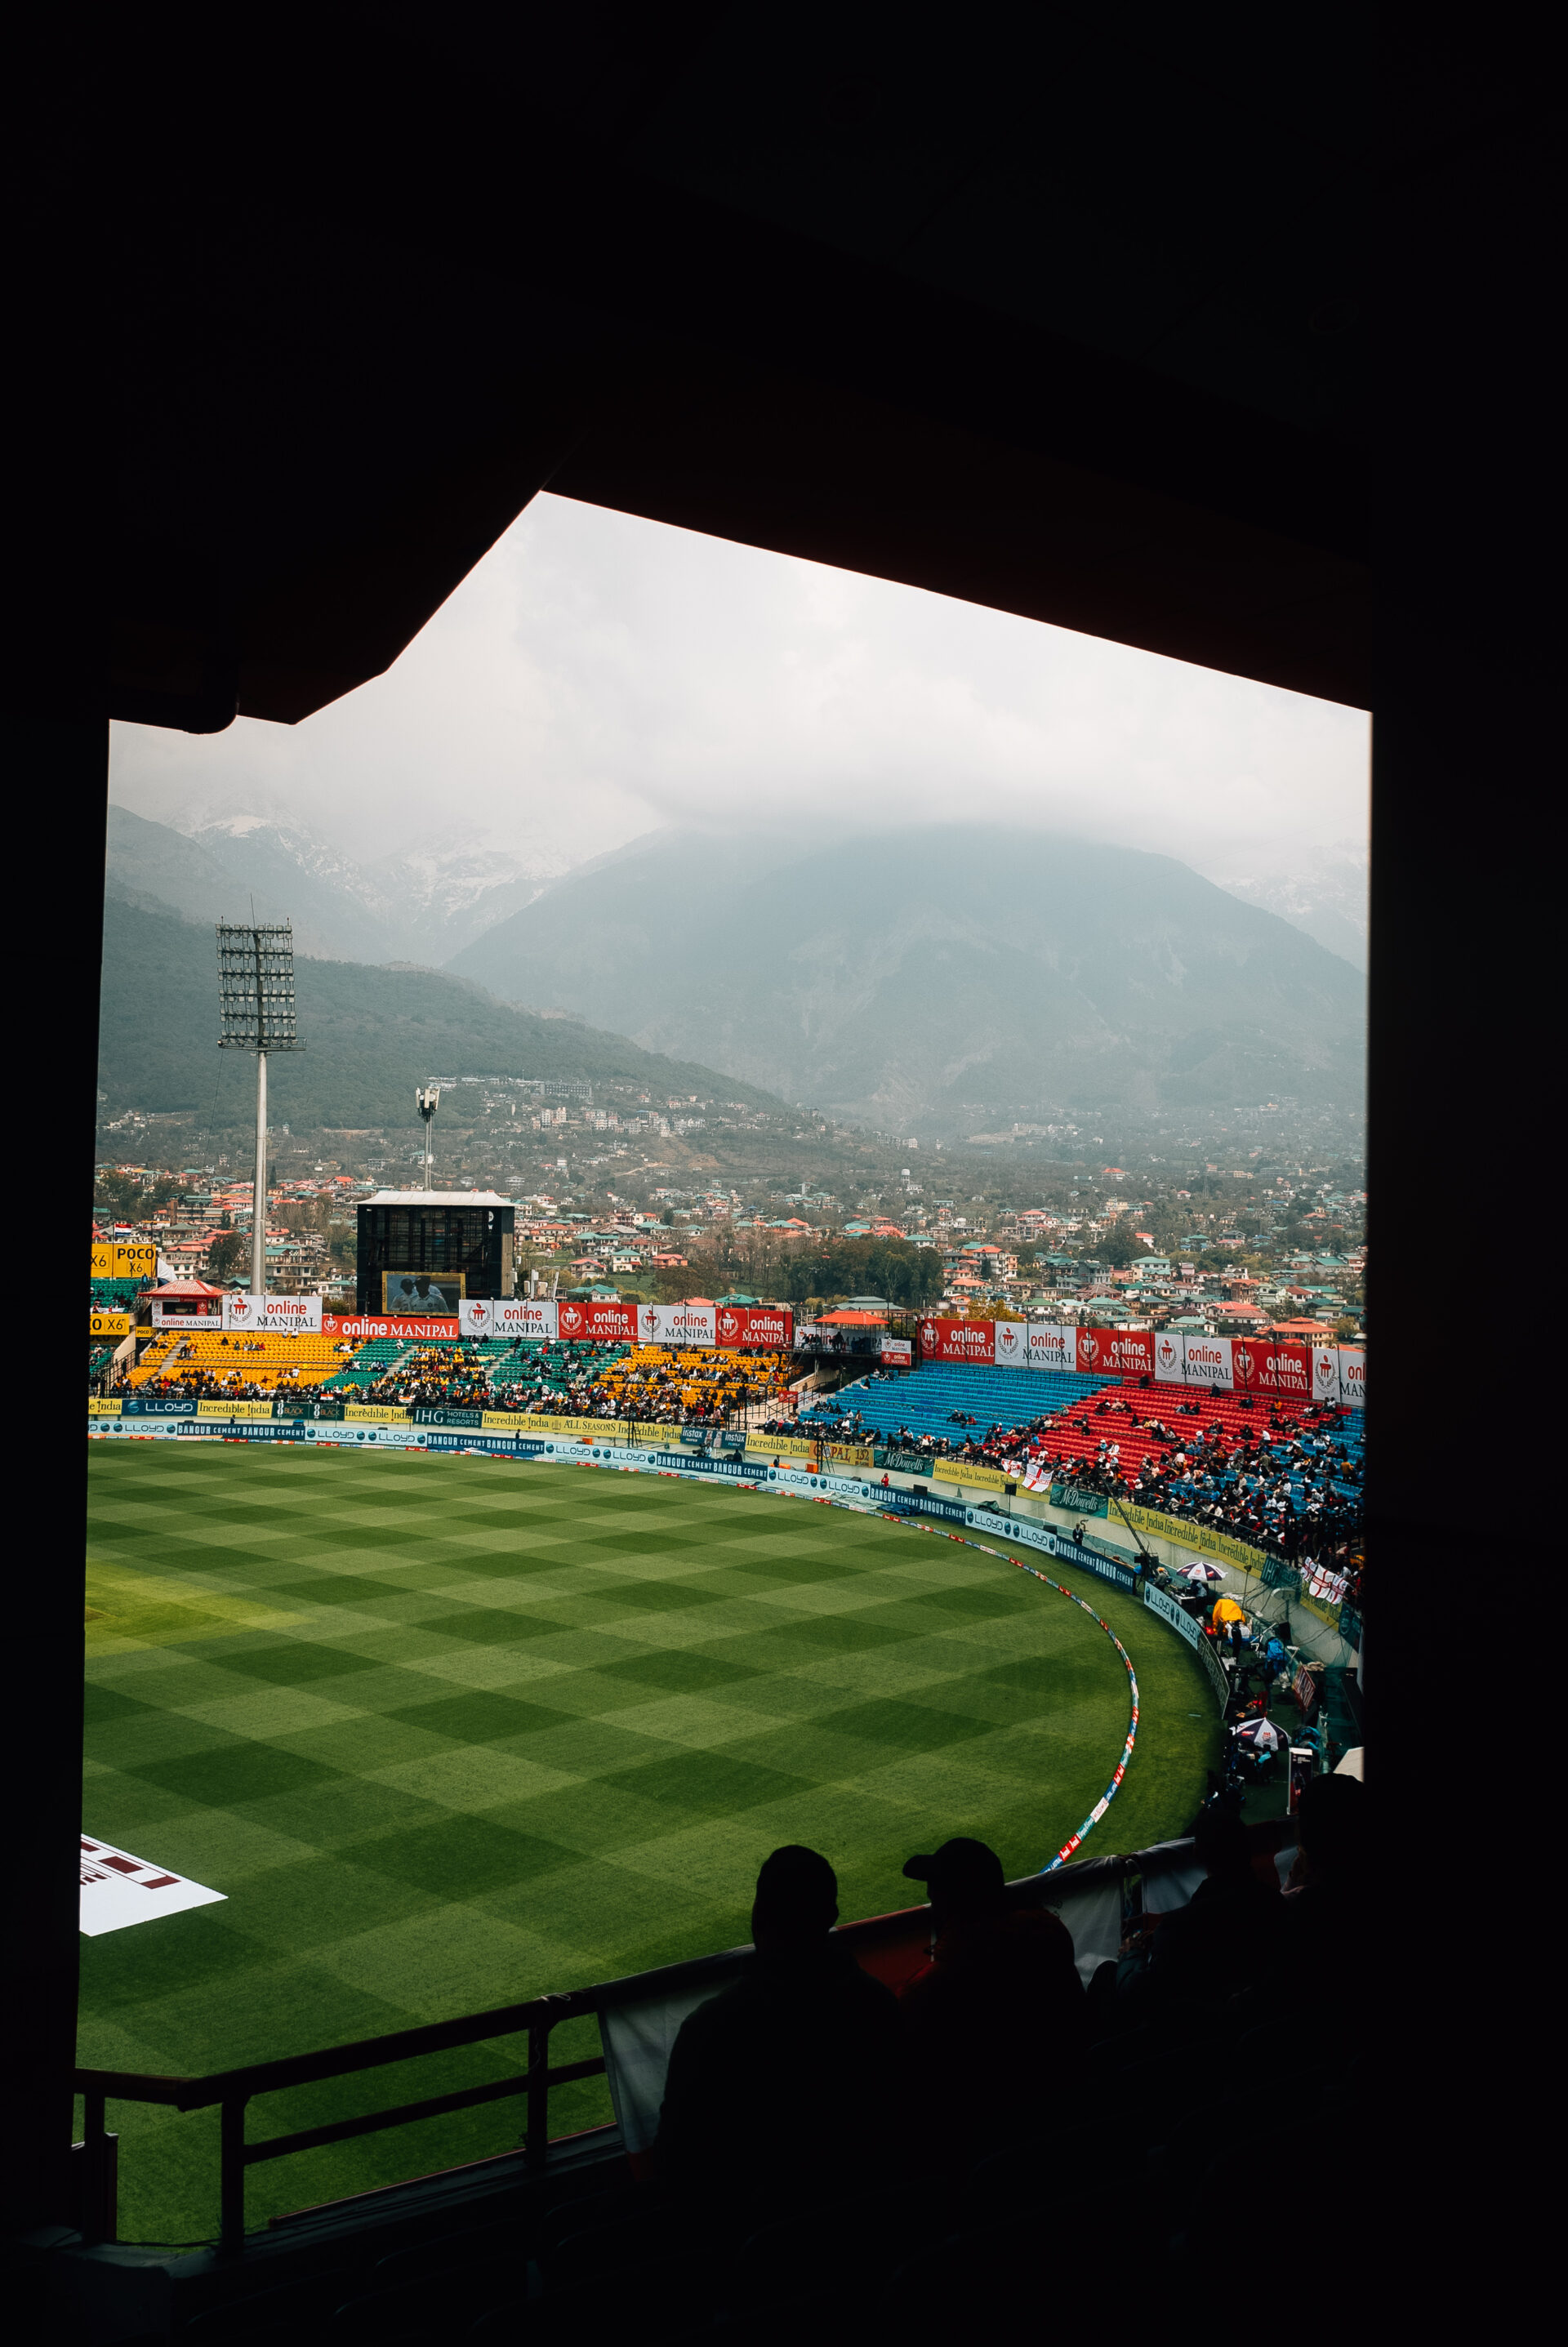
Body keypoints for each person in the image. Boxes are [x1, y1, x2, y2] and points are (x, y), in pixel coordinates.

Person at [654, 1846, 908, 2218]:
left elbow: (676, 2163)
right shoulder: (878, 2004)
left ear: (758, 1916)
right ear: (831, 1916)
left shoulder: (712, 2028)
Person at [898, 1838, 1085, 2169]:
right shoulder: (1049, 1939)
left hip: (972, 2146)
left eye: (935, 1892)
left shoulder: (932, 1988)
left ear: (948, 1903)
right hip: (1066, 2119)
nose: (930, 1898)